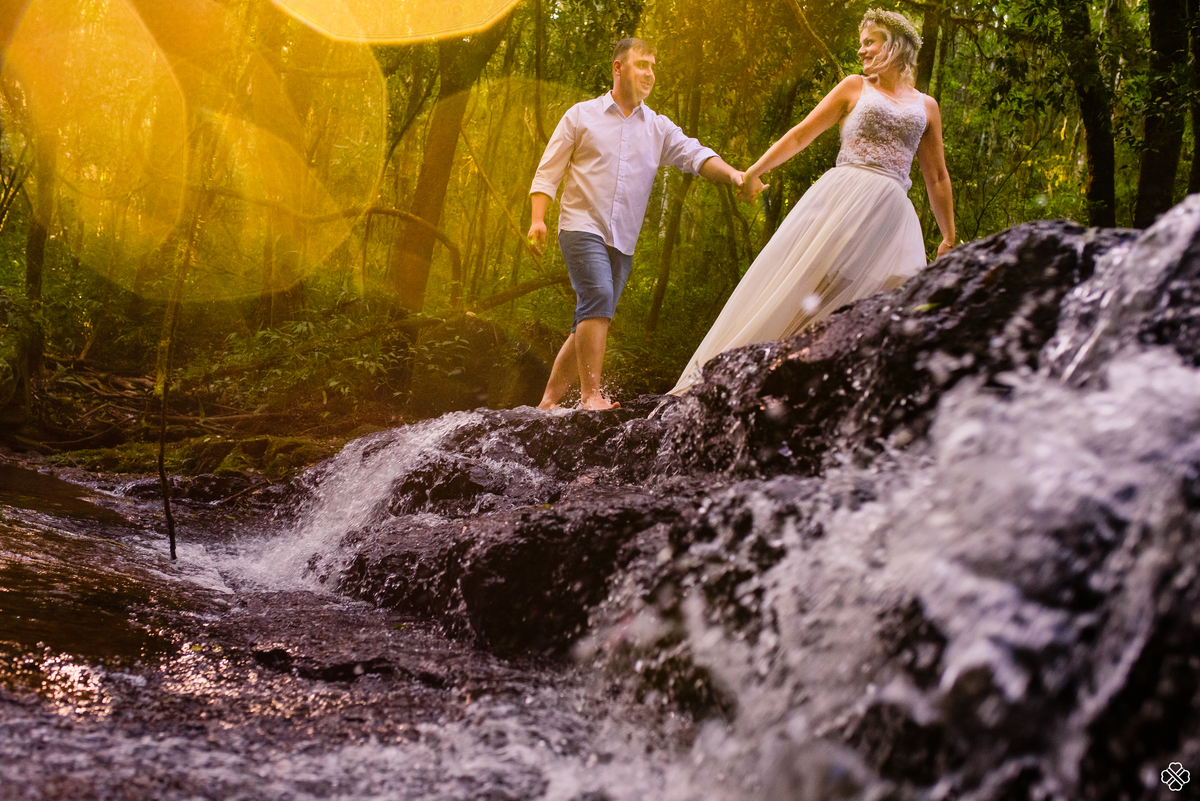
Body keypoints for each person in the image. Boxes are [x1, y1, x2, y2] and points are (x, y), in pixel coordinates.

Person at [668, 9, 955, 395]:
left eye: (870, 41)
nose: (862, 50)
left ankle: (844, 393)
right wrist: (755, 170)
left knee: (892, 297)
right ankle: (735, 382)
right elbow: (802, 134)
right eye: (861, 43)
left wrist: (949, 236)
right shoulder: (855, 87)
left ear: (894, 45)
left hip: (892, 214)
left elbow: (936, 176)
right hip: (842, 198)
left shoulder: (927, 106)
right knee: (806, 286)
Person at [529, 38, 744, 410]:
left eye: (652, 66)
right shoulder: (581, 116)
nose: (650, 73)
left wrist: (735, 175)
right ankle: (591, 395)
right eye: (642, 64)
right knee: (597, 298)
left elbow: (695, 154)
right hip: (580, 226)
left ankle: (548, 400)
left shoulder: (658, 128)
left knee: (593, 313)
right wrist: (537, 219)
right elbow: (548, 172)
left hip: (622, 239)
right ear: (618, 68)